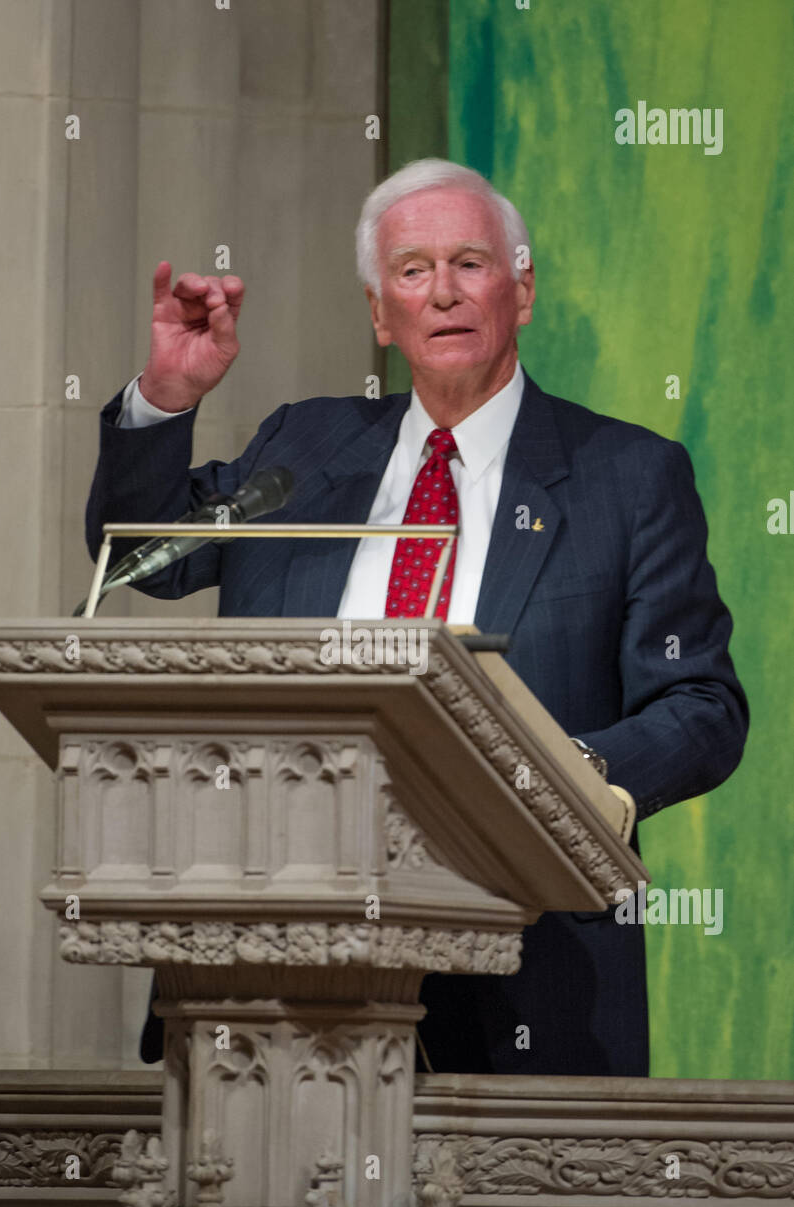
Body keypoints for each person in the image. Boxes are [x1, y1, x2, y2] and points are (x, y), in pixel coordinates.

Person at [86, 158, 748, 1076]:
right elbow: (138, 561)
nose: (441, 292)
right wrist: (168, 397)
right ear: (377, 311)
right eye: (411, 270)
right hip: (271, 948)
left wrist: (575, 779)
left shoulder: (626, 477)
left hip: (521, 955)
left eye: (470, 264)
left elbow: (701, 705)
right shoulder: (301, 448)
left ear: (521, 292)